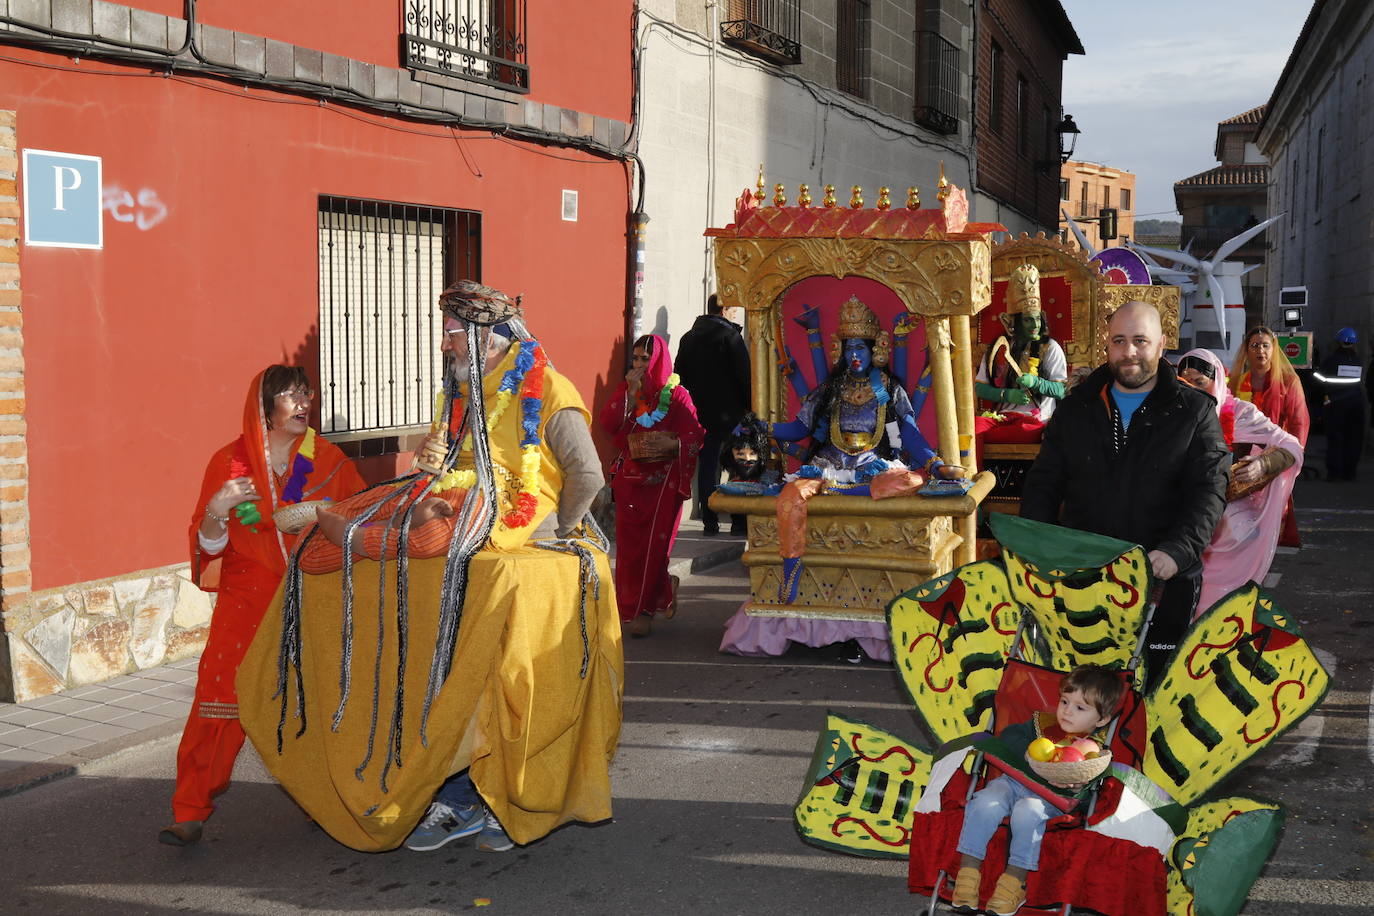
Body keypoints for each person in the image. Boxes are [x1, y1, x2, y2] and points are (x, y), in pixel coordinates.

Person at [233, 281, 623, 856]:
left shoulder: (549, 387)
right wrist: (431, 463)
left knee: (436, 536)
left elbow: (587, 474)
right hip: (456, 506)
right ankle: (340, 524)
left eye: (450, 335)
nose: (443, 347)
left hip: (508, 525)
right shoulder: (465, 394)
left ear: (486, 336)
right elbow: (447, 467)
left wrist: (560, 534)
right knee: (363, 524)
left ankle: (477, 800)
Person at [159, 366, 365, 846]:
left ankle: (326, 799)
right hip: (246, 598)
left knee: (316, 699)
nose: (303, 403)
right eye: (292, 395)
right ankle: (189, 808)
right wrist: (218, 508)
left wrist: (330, 520)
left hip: (312, 592)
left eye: (306, 394)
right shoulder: (227, 462)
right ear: (265, 405)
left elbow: (359, 515)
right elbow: (209, 546)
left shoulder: (329, 458)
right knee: (219, 699)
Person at [1020, 301, 1229, 683]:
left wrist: (1177, 551)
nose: (1129, 352)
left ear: (1162, 344)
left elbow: (1210, 490)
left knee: (1152, 692)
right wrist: (1039, 549)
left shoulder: (1194, 411)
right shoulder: (1075, 408)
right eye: (1119, 341)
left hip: (1163, 582)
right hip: (1082, 580)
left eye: (1139, 341)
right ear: (1107, 345)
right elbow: (1043, 483)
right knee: (1079, 692)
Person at [767, 295, 960, 604]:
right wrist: (763, 427)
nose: (855, 355)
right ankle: (790, 568)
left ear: (874, 350)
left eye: (861, 348)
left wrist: (935, 465)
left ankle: (840, 492)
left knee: (911, 480)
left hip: (871, 465)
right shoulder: (831, 388)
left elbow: (908, 432)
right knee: (790, 497)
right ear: (841, 352)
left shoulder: (888, 389)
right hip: (827, 463)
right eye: (850, 348)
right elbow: (799, 429)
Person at [950, 665, 1127, 916]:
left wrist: (1079, 787)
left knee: (1027, 810)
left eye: (1080, 708)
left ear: (1101, 720)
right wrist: (1027, 750)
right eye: (1065, 701)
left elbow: (1091, 799)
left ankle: (1014, 882)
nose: (1067, 711)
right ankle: (968, 872)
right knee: (986, 800)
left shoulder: (1093, 753)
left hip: (1048, 799)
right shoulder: (1041, 726)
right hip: (1012, 782)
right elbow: (1008, 736)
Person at [1178, 349, 1302, 613]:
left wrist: (1263, 465)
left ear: (1218, 381)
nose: (1192, 390)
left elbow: (1292, 446)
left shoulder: (1242, 414)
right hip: (1187, 522)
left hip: (1232, 528)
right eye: (1185, 383)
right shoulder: (1173, 413)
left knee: (1225, 607)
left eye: (1199, 382)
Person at [599, 334, 705, 637]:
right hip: (631, 481)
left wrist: (655, 447)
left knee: (654, 549)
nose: (639, 364)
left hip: (663, 485)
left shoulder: (678, 395)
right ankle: (636, 604)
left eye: (645, 358)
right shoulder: (628, 390)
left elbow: (694, 436)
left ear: (658, 359)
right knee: (630, 551)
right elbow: (609, 425)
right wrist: (630, 397)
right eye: (635, 358)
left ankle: (643, 609)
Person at [675, 294, 751, 536]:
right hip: (732, 414)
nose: (735, 315)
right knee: (739, 465)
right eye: (733, 310)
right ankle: (738, 521)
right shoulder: (730, 337)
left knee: (708, 466)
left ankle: (709, 520)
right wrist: (750, 408)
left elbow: (680, 375)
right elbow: (744, 377)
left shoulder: (688, 338)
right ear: (724, 310)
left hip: (702, 413)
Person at [974, 264, 1069, 457]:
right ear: (1014, 322)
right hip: (1002, 418)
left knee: (1026, 430)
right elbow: (980, 388)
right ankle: (973, 480)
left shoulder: (1050, 348)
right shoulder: (998, 348)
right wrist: (1007, 396)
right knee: (971, 428)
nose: (1035, 325)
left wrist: (1036, 383)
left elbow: (1062, 390)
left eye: (1037, 319)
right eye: (1027, 320)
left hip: (1036, 422)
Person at [1229, 326, 1309, 546]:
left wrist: (1290, 454)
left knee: (1274, 504)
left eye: (1265, 345)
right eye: (1254, 345)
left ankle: (1270, 541)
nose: (1260, 351)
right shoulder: (1236, 382)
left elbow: (1298, 422)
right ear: (1246, 351)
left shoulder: (1288, 382)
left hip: (1274, 454)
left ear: (1273, 349)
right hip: (1241, 455)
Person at [1313, 326, 1366, 480]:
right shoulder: (1357, 361)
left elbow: (1319, 380)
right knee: (1354, 439)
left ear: (1338, 342)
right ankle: (1350, 473)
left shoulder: (1331, 360)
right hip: (1356, 404)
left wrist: (1314, 371)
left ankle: (1335, 473)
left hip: (1336, 404)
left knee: (1335, 438)